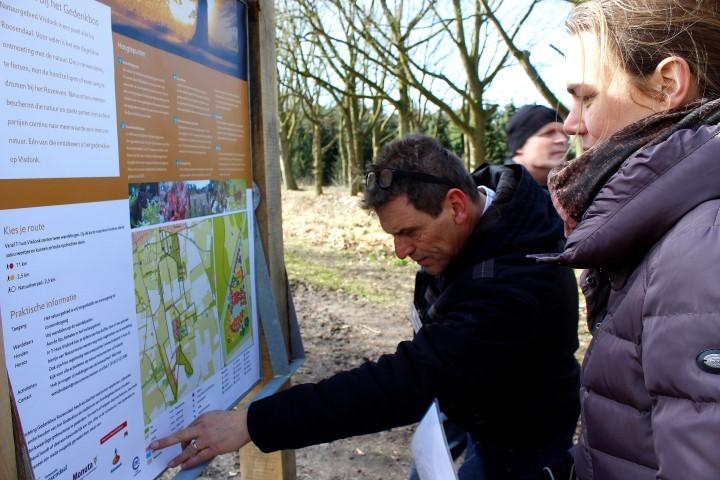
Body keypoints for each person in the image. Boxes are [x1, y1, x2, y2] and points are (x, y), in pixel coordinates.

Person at [151, 134, 581, 479]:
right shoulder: (486, 225)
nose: (400, 252)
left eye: (410, 232)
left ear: (456, 204)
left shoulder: (514, 282)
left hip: (521, 447)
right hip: (477, 408)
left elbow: (403, 383)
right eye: (393, 234)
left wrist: (250, 423)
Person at [533, 1, 720, 478]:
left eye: (587, 97)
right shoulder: (676, 230)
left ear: (668, 85)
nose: (572, 123)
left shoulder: (698, 250)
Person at [504, 105, 568, 187]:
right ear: (520, 146)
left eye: (564, 133)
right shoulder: (493, 192)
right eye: (549, 133)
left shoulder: (570, 189)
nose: (562, 139)